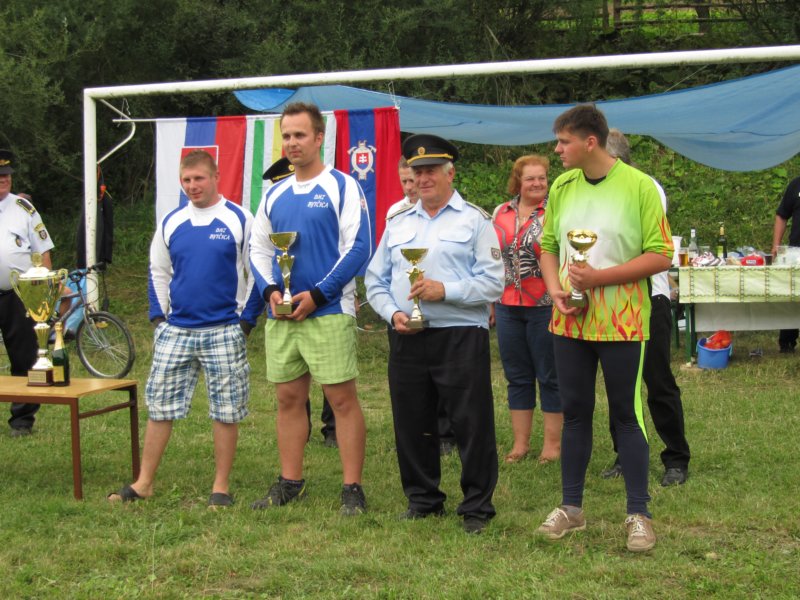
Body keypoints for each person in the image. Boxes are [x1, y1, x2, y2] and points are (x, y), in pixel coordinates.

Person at [534, 105, 673, 553]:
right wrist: (555, 289)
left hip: (623, 320)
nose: (557, 150)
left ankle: (639, 514)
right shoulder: (563, 186)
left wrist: (599, 279)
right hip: (570, 320)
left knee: (626, 415)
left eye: (564, 142)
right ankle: (571, 508)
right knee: (574, 412)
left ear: (589, 142)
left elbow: (660, 255)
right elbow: (548, 246)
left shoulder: (639, 186)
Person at [365, 134, 504, 534]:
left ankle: (476, 506)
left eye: (431, 171)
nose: (423, 179)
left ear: (450, 173)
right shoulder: (398, 222)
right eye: (417, 172)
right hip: (406, 333)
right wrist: (393, 313)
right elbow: (375, 280)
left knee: (471, 421)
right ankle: (423, 499)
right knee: (411, 420)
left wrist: (447, 290)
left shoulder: (475, 221)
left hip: (460, 333)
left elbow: (494, 283)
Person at [108, 150, 262, 507]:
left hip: (224, 329)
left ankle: (220, 487)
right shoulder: (172, 221)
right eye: (187, 180)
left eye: (199, 178)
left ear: (216, 177)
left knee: (226, 410)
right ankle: (144, 482)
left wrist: (246, 322)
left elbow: (257, 271)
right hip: (176, 330)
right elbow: (157, 272)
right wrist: (159, 319)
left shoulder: (240, 218)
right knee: (160, 407)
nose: (193, 186)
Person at [249, 102, 372, 516]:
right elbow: (258, 249)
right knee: (288, 398)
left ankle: (352, 487)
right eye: (286, 135)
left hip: (328, 310)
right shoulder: (274, 193)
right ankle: (290, 481)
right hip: (283, 312)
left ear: (319, 138)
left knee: (341, 399)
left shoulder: (342, 186)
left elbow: (359, 247)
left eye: (300, 135)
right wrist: (270, 290)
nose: (292, 143)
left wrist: (319, 294)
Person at [600, 129, 690, 487]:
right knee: (619, 383)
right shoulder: (593, 188)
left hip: (648, 298)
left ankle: (676, 458)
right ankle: (625, 454)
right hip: (609, 298)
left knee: (657, 380)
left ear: (613, 157)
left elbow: (636, 240)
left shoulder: (646, 186)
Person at [491, 155, 563, 464]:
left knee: (549, 375)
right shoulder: (500, 212)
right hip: (506, 305)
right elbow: (493, 259)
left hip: (545, 305)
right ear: (517, 181)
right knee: (517, 376)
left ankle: (552, 445)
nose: (537, 183)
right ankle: (520, 445)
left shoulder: (556, 211)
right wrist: (491, 301)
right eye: (530, 178)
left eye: (542, 178)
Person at [263, 157, 338, 448]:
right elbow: (263, 255)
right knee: (291, 390)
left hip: (326, 303)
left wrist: (334, 294)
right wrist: (270, 292)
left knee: (335, 383)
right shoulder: (274, 206)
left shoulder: (326, 194)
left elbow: (336, 249)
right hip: (284, 303)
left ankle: (332, 429)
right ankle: (301, 430)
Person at [387, 156, 457, 456]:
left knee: (447, 383)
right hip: (404, 318)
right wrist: (391, 311)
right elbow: (385, 269)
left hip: (447, 319)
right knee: (410, 390)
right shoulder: (396, 215)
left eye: (413, 178)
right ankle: (416, 440)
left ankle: (446, 434)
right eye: (406, 180)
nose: (411, 185)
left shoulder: (460, 215)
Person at [0, 150, 55, 437]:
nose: (3, 180)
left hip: (20, 294)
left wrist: (45, 293)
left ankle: (22, 420)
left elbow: (43, 250)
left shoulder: (23, 208)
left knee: (24, 356)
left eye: (7, 175)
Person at [771, 175, 800, 353]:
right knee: (791, 295)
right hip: (796, 253)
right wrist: (776, 245)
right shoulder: (796, 185)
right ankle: (787, 341)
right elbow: (782, 215)